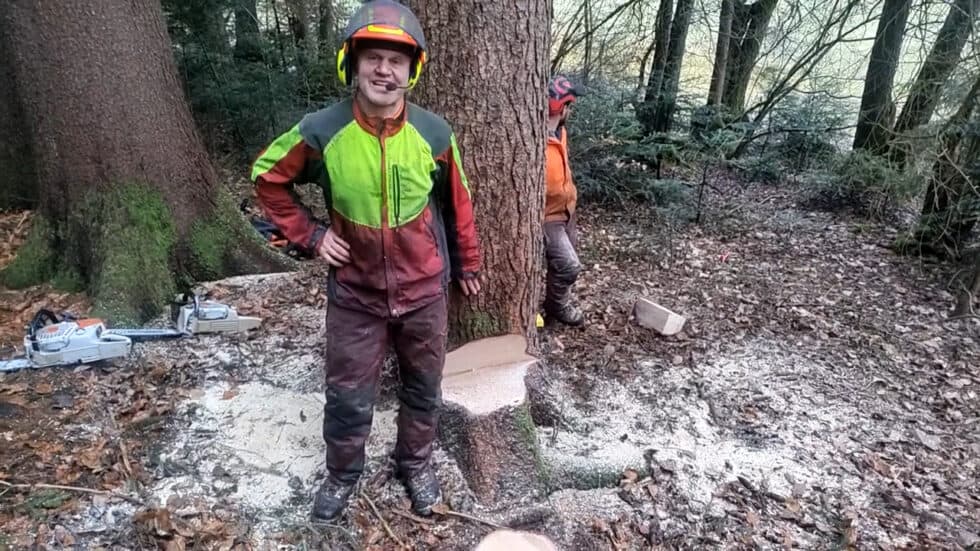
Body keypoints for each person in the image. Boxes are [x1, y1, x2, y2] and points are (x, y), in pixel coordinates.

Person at [249, 0, 482, 522]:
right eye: (372, 57)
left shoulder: (435, 134)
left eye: (396, 60)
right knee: (349, 394)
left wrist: (468, 264)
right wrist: (309, 236)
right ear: (351, 64)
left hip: (424, 289)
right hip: (355, 292)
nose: (384, 69)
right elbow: (267, 177)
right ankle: (342, 474)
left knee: (424, 389)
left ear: (412, 69)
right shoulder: (323, 130)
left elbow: (460, 203)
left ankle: (415, 465)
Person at [543, 75, 584, 326]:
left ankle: (554, 304)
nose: (571, 111)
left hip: (567, 210)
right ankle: (558, 307)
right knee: (569, 266)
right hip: (548, 217)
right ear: (562, 107)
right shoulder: (535, 140)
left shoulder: (561, 132)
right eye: (570, 106)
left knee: (564, 265)